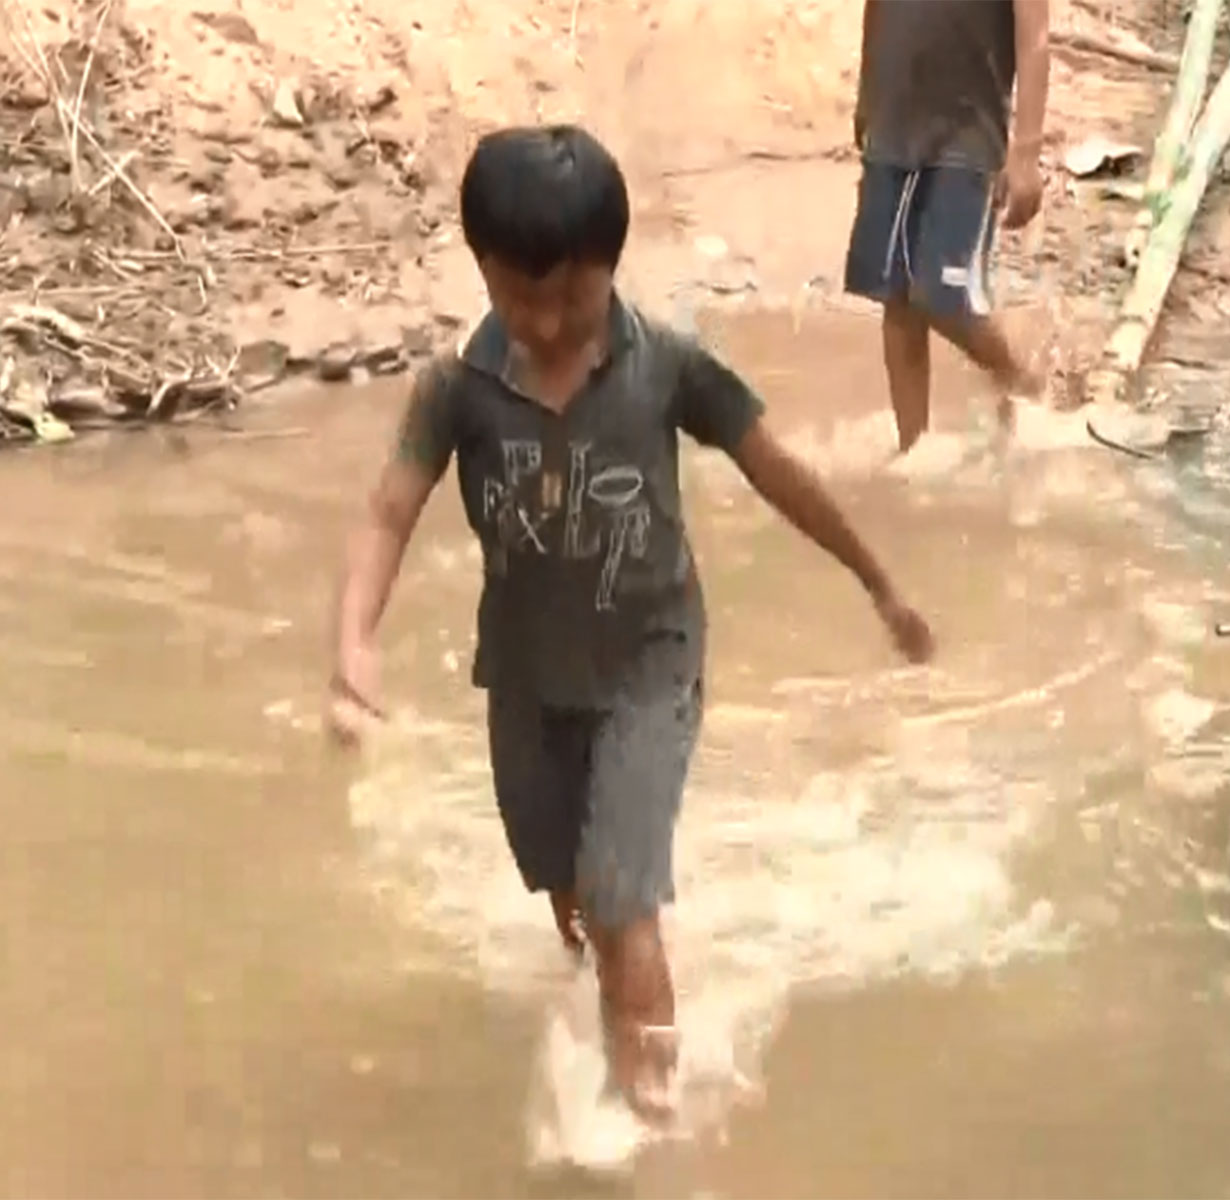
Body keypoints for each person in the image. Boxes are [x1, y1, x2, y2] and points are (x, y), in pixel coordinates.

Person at [325, 125, 934, 1122]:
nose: (549, 321)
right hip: (525, 680)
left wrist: (876, 582)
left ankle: (649, 1119)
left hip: (652, 664)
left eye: (571, 295)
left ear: (612, 266)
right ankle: (613, 976)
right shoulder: (456, 391)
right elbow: (390, 511)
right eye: (519, 297)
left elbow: (776, 470)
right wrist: (354, 647)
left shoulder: (667, 368)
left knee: (616, 895)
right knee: (567, 889)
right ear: (479, 268)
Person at [846, 0, 1053, 454]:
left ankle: (1026, 386)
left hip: (969, 134)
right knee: (895, 296)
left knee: (945, 301)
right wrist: (866, 94)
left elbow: (1035, 32)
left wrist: (1027, 152)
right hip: (896, 118)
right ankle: (912, 452)